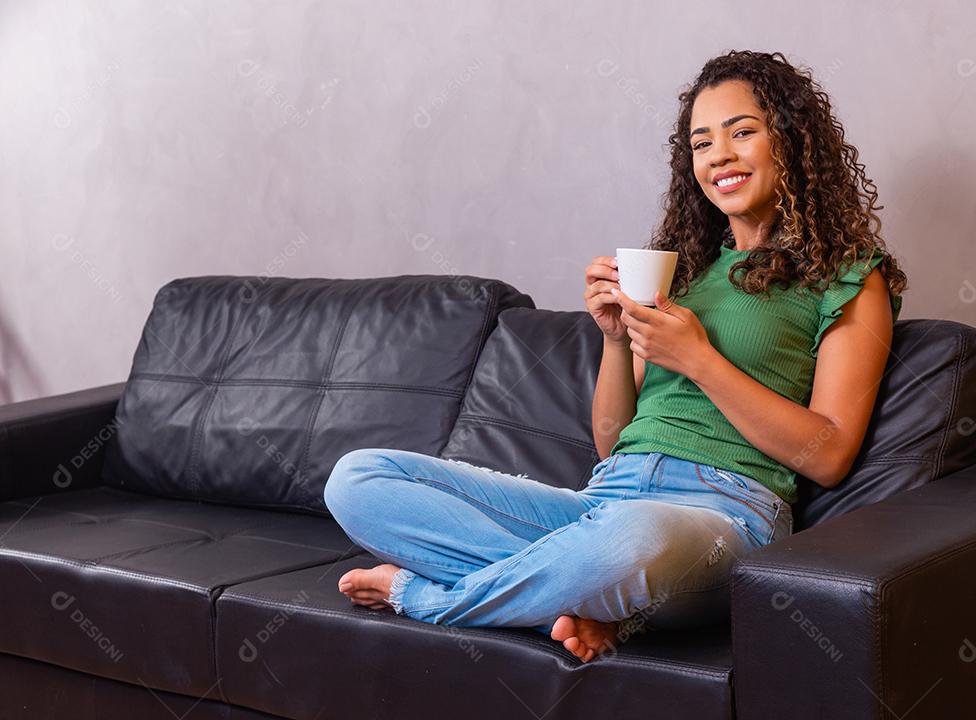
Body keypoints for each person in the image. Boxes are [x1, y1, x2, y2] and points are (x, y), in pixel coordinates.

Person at [323, 49, 907, 664]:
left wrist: (700, 359)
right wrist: (612, 335)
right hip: (606, 498)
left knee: (628, 542)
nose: (719, 156)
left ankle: (430, 597)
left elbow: (831, 454)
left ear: (790, 140)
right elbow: (611, 443)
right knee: (359, 479)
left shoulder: (846, 275)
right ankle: (588, 600)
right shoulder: (680, 274)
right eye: (701, 143)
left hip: (721, 516)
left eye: (743, 132)